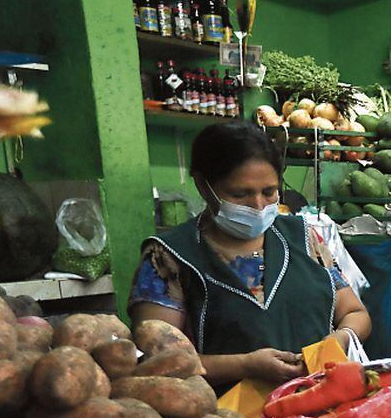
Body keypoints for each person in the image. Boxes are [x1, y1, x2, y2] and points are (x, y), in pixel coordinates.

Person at [130, 122, 371, 390]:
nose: (258, 205)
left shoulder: (304, 238)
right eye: (240, 194)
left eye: (269, 191)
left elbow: (355, 312)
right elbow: (159, 361)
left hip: (318, 407)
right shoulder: (168, 257)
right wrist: (245, 365)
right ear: (203, 185)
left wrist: (341, 338)